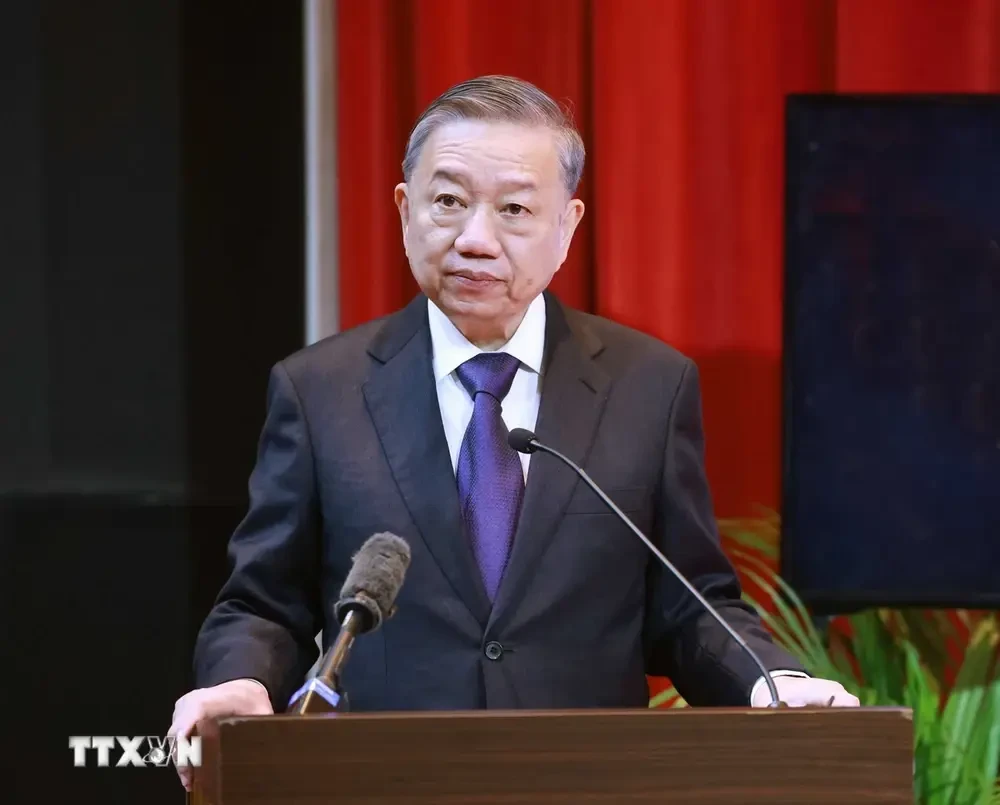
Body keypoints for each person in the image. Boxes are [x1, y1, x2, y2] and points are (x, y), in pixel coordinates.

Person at [169, 75, 857, 791]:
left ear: (567, 227)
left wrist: (772, 680)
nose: (475, 239)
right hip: (386, 783)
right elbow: (263, 601)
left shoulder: (647, 386)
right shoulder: (320, 391)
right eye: (448, 202)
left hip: (591, 784)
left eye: (515, 209)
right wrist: (239, 680)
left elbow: (690, 604)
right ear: (405, 211)